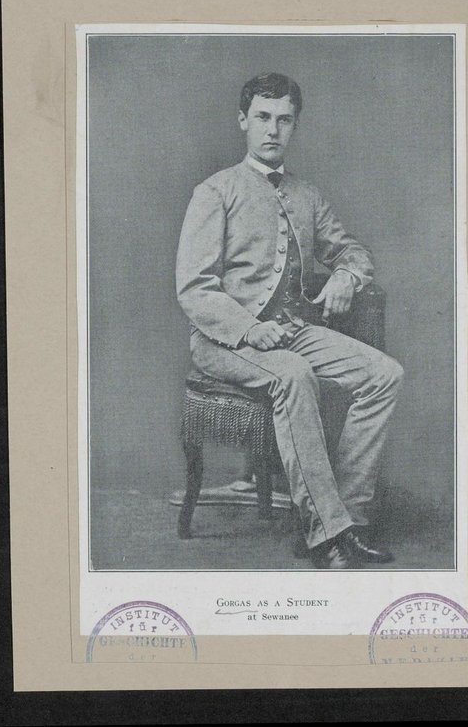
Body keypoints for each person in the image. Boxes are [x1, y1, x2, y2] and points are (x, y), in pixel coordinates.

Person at [176, 72, 404, 569]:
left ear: (294, 126)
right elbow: (195, 288)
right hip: (223, 340)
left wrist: (346, 274)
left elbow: (352, 250)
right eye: (262, 117)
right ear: (243, 121)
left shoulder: (307, 195)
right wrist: (248, 329)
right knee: (295, 375)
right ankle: (325, 534)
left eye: (284, 120)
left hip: (291, 333)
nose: (272, 129)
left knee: (384, 374)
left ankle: (348, 519)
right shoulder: (215, 191)